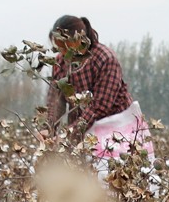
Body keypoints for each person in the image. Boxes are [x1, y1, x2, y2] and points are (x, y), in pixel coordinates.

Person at [44, 15, 136, 146]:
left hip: (115, 129)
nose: (63, 53)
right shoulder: (60, 63)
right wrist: (48, 128)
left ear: (79, 39)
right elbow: (55, 101)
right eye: (59, 48)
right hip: (79, 130)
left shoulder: (105, 59)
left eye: (66, 46)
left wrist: (69, 134)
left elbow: (100, 107)